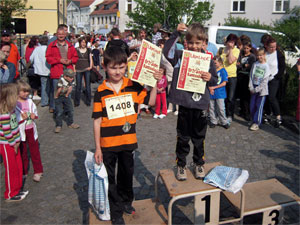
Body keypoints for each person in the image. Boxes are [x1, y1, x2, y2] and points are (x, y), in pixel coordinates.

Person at [92, 46, 161, 225]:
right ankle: (115, 211)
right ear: (105, 66)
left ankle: (126, 202)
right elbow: (97, 121)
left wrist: (153, 84)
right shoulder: (100, 91)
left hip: (128, 141)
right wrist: (98, 148)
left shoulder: (133, 86)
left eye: (121, 67)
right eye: (113, 67)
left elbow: (151, 102)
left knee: (126, 175)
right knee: (110, 179)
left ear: (126, 67)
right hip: (107, 143)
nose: (117, 71)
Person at [163, 23, 217, 181]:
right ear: (186, 42)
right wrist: (175, 33)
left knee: (199, 138)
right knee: (183, 137)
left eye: (197, 43)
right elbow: (167, 52)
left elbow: (214, 79)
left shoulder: (208, 61)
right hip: (185, 104)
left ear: (204, 43)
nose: (194, 46)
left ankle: (199, 163)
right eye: (191, 43)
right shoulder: (181, 56)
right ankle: (181, 165)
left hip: (200, 105)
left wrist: (209, 78)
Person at [0, 83, 28, 202]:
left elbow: (15, 127)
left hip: (14, 143)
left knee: (17, 166)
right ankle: (10, 193)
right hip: (7, 145)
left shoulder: (11, 110)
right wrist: (14, 143)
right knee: (11, 168)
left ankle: (17, 188)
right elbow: (7, 131)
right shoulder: (4, 114)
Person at [15, 79, 43, 182]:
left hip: (30, 128)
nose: (26, 93)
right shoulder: (15, 104)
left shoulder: (30, 102)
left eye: (27, 91)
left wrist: (33, 116)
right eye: (24, 91)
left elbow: (35, 114)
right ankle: (23, 171)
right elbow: (14, 119)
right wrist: (21, 118)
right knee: (23, 151)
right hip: (20, 131)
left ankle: (38, 170)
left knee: (34, 150)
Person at [46, 26, 78, 113]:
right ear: (56, 34)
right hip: (57, 71)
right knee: (56, 92)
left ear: (65, 34)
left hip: (68, 72)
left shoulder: (70, 45)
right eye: (59, 34)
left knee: (68, 92)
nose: (61, 35)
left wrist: (70, 61)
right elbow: (48, 58)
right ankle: (55, 108)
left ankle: (67, 109)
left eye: (62, 34)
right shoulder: (52, 45)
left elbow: (76, 57)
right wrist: (59, 60)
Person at [265, 36, 286, 127]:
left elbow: (282, 67)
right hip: (265, 78)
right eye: (271, 47)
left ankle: (278, 115)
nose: (273, 49)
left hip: (274, 78)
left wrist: (276, 77)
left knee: (272, 97)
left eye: (274, 47)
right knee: (265, 96)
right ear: (267, 46)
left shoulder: (278, 54)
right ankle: (267, 113)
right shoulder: (265, 53)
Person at [248, 48, 271, 131]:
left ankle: (257, 122)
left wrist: (257, 89)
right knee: (252, 105)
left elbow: (265, 80)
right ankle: (252, 119)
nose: (259, 57)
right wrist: (251, 86)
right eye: (258, 55)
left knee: (259, 106)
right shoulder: (255, 64)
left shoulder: (266, 66)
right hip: (253, 86)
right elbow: (251, 75)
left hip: (261, 90)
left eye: (261, 55)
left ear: (264, 55)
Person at [220, 34, 240, 123]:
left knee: (230, 97)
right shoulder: (222, 50)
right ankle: (222, 114)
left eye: (233, 42)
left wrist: (230, 50)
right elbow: (218, 60)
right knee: (222, 96)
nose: (231, 43)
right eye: (229, 41)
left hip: (231, 76)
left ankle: (230, 114)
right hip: (222, 75)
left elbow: (231, 61)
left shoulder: (236, 50)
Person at [54, 69, 80, 133]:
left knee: (70, 109)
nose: (72, 78)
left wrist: (67, 95)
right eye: (70, 77)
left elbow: (71, 88)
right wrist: (56, 97)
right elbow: (59, 90)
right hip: (59, 96)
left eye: (72, 77)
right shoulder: (61, 80)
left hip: (66, 95)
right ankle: (58, 125)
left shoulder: (72, 80)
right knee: (59, 111)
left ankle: (70, 123)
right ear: (65, 76)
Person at [236, 41, 256, 121]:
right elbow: (238, 65)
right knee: (241, 95)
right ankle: (242, 111)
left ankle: (247, 112)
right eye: (244, 48)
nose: (246, 50)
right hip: (240, 75)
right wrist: (243, 65)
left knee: (246, 96)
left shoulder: (252, 57)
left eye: (247, 48)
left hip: (247, 76)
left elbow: (250, 66)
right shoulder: (240, 55)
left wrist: (243, 65)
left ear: (250, 48)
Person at [208, 56, 230, 129]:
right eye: (213, 63)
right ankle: (213, 121)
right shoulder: (211, 70)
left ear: (220, 63)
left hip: (220, 93)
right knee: (211, 108)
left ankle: (224, 121)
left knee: (220, 108)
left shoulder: (223, 71)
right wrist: (210, 88)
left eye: (215, 63)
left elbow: (224, 83)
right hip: (212, 92)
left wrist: (214, 87)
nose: (214, 65)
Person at [30, 35, 50, 107]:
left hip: (40, 70)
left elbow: (31, 59)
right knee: (50, 86)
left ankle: (44, 101)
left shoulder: (37, 49)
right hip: (49, 69)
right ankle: (48, 100)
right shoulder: (49, 48)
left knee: (43, 86)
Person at [74, 37, 93, 107]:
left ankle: (88, 101)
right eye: (82, 42)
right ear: (79, 43)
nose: (83, 44)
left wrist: (90, 66)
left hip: (86, 68)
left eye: (84, 42)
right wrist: (74, 69)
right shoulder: (76, 50)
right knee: (78, 86)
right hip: (78, 69)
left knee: (87, 86)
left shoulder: (88, 50)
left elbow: (91, 59)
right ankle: (77, 101)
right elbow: (74, 60)